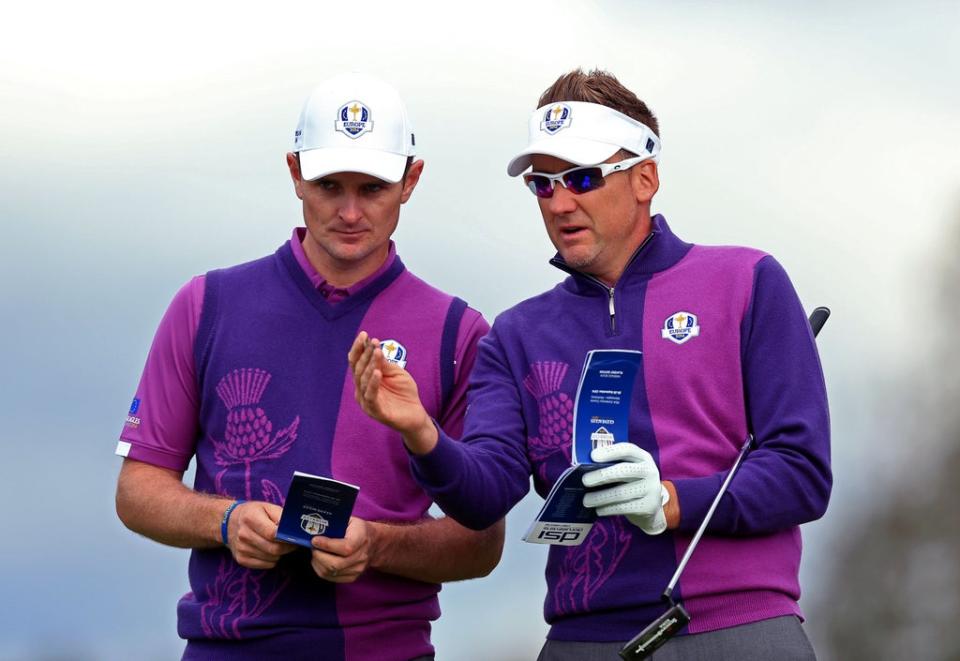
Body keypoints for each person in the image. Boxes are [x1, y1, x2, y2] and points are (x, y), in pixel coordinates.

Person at [350, 69, 831, 660]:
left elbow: (802, 473)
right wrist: (421, 432)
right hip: (585, 640)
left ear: (645, 177)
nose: (561, 202)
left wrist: (670, 501)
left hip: (741, 630)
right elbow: (483, 497)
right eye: (542, 185)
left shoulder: (746, 281)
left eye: (581, 177)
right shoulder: (517, 333)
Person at [114, 72, 503, 661]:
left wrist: (374, 544)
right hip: (228, 647)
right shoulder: (206, 304)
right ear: (294, 171)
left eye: (372, 187)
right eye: (328, 185)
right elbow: (138, 489)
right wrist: (226, 520)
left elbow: (481, 543)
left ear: (411, 180)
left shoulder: (459, 331)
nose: (349, 212)